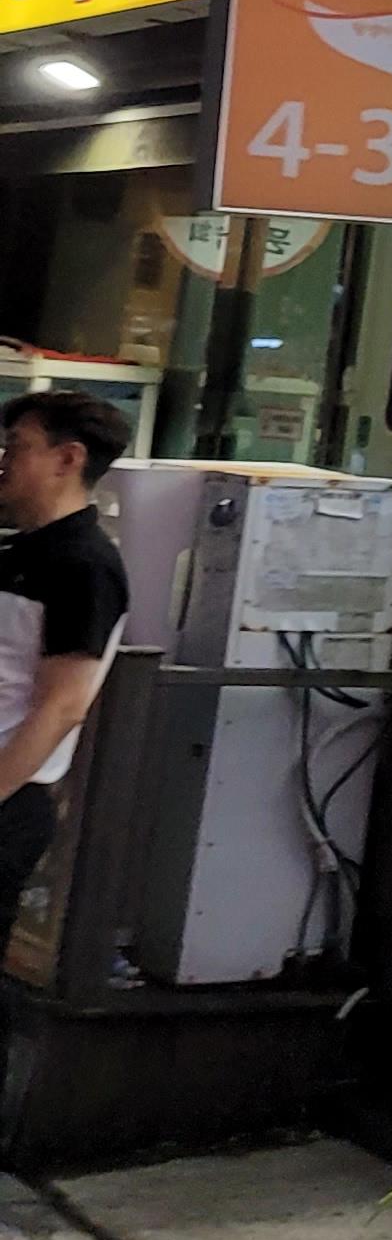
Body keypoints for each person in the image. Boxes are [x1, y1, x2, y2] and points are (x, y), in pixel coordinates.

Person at [0, 390, 132, 941]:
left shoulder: (85, 567)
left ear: (68, 458)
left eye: (17, 446)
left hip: (11, 792)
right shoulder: (20, 553)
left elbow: (62, 705)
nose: (4, 460)